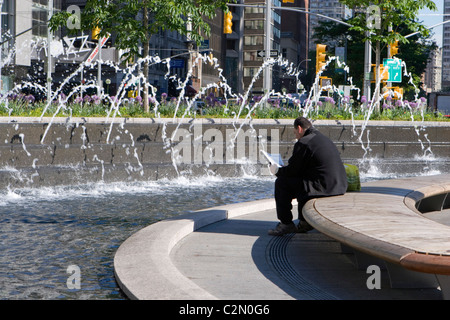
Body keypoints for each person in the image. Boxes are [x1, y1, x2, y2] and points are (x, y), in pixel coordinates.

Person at [268, 116, 348, 236]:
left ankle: (286, 224)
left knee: (281, 183)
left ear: (299, 129)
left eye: (295, 132)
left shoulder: (304, 142)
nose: (295, 136)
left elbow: (292, 171)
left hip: (324, 187)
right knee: (304, 181)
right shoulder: (323, 139)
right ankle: (304, 222)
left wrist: (277, 171)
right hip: (339, 186)